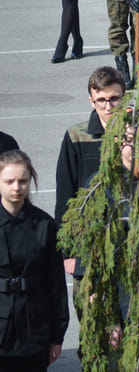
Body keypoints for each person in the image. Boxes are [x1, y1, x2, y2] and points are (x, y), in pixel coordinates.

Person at [55, 67, 126, 320]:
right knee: (92, 319)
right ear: (91, 100)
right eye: (101, 100)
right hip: (89, 245)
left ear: (124, 97)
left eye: (114, 99)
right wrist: (68, 252)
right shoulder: (77, 136)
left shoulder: (138, 133)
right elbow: (65, 197)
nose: (108, 107)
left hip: (129, 240)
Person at [0, 150, 69, 371]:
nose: (17, 187)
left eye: (23, 181)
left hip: (33, 329)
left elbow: (56, 285)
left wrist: (57, 337)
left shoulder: (44, 226)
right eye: (9, 181)